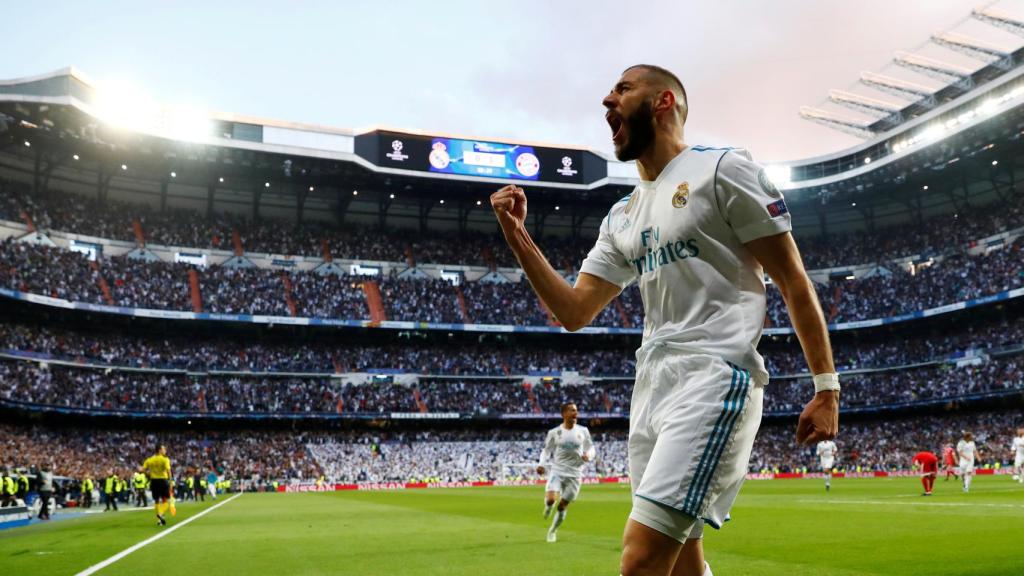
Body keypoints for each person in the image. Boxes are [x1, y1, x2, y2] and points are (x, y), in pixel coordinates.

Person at [490, 64, 839, 576]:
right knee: (681, 563)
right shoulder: (623, 215)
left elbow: (792, 279)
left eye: (623, 89)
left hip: (714, 376)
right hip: (651, 388)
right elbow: (574, 311)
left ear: (663, 102)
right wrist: (516, 234)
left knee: (641, 556)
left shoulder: (723, 170)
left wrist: (826, 387)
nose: (608, 100)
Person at [537, 402, 596, 543]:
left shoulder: (583, 431)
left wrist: (589, 455)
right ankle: (548, 506)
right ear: (564, 414)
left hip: (575, 474)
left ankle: (552, 531)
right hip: (557, 471)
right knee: (551, 499)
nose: (575, 413)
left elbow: (591, 448)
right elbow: (546, 450)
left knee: (562, 505)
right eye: (572, 410)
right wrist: (541, 464)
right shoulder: (554, 432)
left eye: (576, 410)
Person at [141, 444, 172, 526]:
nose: (165, 450)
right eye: (163, 449)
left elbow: (142, 469)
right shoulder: (165, 459)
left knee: (157, 500)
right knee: (166, 500)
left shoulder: (149, 460)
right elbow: (169, 471)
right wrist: (171, 481)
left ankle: (159, 520)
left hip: (153, 481)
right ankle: (161, 513)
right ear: (159, 450)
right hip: (163, 480)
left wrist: (148, 474)